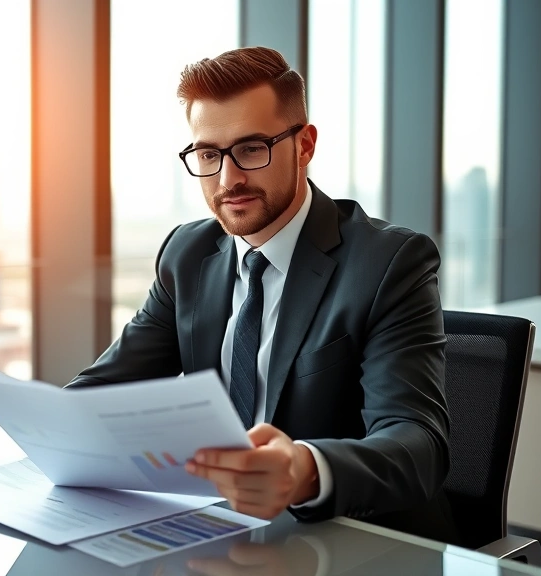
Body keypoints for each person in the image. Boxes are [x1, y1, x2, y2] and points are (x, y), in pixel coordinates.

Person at [68, 46, 457, 544]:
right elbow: (107, 388)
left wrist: (305, 469)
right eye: (209, 154)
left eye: (252, 148)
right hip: (217, 534)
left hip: (355, 541)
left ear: (305, 145)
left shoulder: (388, 263)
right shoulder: (187, 253)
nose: (229, 179)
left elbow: (418, 445)